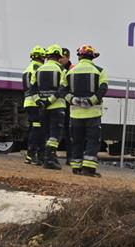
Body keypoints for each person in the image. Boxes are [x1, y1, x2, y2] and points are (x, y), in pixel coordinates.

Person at [61, 45, 108, 177]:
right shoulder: (100, 71)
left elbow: (62, 91)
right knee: (93, 141)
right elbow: (103, 89)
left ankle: (76, 167)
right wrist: (91, 100)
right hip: (93, 113)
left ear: (79, 56)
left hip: (75, 114)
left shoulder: (69, 72)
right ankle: (88, 169)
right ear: (93, 57)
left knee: (77, 141)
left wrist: (74, 100)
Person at [31, 44, 68, 170]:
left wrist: (40, 102)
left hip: (42, 108)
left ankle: (48, 158)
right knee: (55, 134)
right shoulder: (61, 70)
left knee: (46, 134)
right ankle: (50, 159)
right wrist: (49, 101)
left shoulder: (39, 70)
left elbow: (32, 89)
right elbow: (62, 89)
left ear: (47, 56)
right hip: (57, 107)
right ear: (58, 56)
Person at [22, 45, 46, 165]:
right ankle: (32, 155)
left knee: (33, 128)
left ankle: (32, 154)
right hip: (35, 102)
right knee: (38, 129)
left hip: (28, 102)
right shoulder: (39, 68)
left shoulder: (28, 68)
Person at [59, 47, 73, 165]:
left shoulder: (72, 69)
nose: (60, 60)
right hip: (58, 104)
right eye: (59, 57)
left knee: (69, 133)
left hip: (68, 105)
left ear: (68, 57)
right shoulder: (57, 68)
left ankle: (70, 157)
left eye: (62, 57)